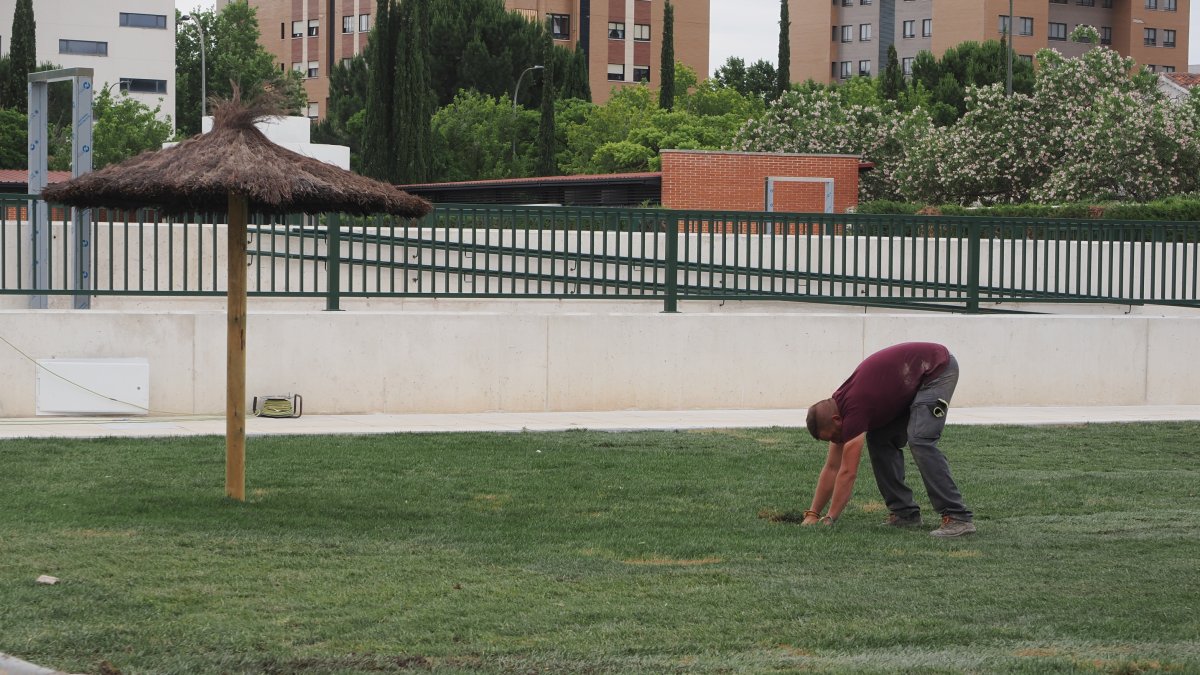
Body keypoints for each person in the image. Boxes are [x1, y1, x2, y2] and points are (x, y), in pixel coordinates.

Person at [801, 342, 975, 537]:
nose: (837, 441)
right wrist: (813, 513)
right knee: (879, 439)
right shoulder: (840, 409)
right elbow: (832, 467)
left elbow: (848, 472)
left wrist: (830, 518)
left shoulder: (854, 409)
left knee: (920, 440)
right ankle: (905, 514)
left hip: (936, 369)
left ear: (836, 420)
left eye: (834, 436)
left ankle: (957, 517)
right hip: (912, 380)